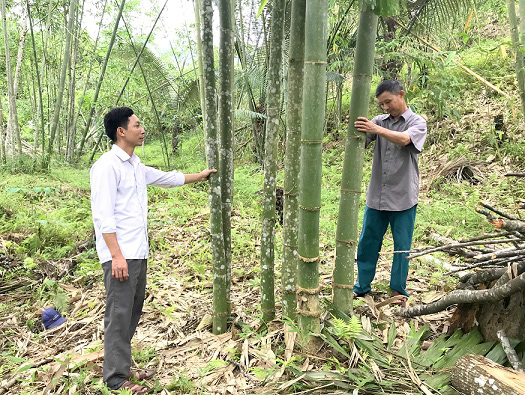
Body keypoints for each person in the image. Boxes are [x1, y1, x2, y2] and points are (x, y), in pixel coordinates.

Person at [90, 107, 215, 393]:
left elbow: (165, 177)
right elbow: (103, 215)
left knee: (132, 311)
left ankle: (123, 365)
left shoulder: (134, 164)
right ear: (121, 131)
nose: (142, 129)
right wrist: (116, 255)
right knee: (119, 314)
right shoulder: (107, 166)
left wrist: (200, 175)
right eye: (137, 125)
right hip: (120, 254)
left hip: (138, 250)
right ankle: (116, 380)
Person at [352, 80, 427, 304]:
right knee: (368, 242)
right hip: (377, 194)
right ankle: (361, 286)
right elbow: (361, 137)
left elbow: (405, 139)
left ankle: (397, 290)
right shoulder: (379, 121)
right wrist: (358, 128)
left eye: (388, 102)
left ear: (401, 95)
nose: (385, 108)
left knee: (402, 246)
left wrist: (376, 129)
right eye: (381, 104)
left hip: (404, 196)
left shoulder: (417, 122)